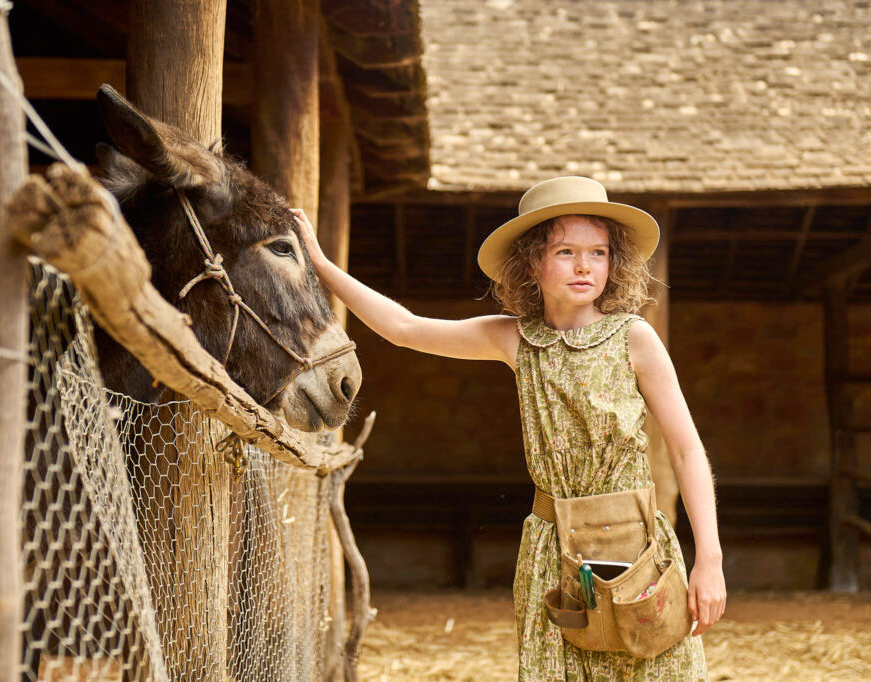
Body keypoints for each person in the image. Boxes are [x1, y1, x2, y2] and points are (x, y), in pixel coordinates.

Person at [292, 175, 724, 680]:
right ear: (531, 262)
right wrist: (321, 268)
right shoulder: (514, 339)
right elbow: (404, 328)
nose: (585, 265)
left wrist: (709, 560)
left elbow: (688, 451)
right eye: (565, 251)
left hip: (637, 543)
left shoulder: (635, 338)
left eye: (599, 252)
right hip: (552, 549)